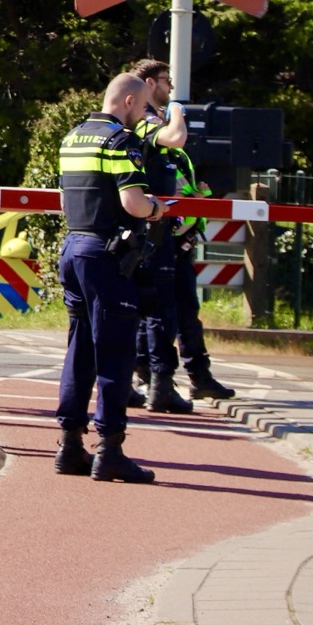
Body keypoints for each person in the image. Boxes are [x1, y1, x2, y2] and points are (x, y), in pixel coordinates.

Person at [54, 73, 163, 483]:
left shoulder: (73, 137)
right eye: (146, 107)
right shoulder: (121, 141)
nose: (146, 115)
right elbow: (132, 203)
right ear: (130, 101)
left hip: (74, 248)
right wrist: (156, 209)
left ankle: (69, 446)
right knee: (115, 350)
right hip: (107, 255)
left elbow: (68, 199)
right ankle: (110, 450)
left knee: (79, 348)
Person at [126, 60, 238, 411]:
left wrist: (196, 200)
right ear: (148, 83)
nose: (171, 88)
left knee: (182, 311)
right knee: (159, 312)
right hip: (161, 236)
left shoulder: (157, 129)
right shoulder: (147, 124)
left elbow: (176, 181)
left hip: (178, 237)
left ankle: (194, 377)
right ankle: (154, 378)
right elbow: (174, 139)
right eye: (165, 81)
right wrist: (176, 111)